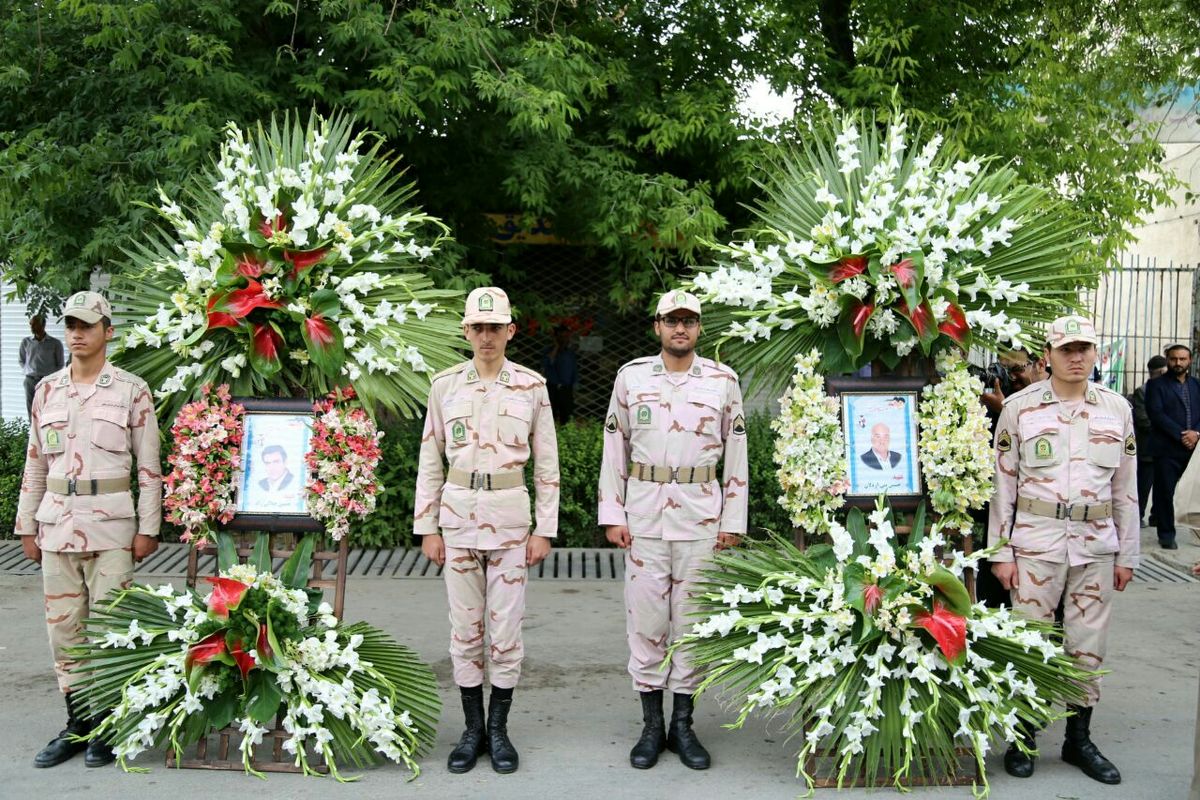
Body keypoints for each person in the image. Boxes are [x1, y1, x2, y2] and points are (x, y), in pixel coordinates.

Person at [598, 290, 749, 771]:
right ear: (657, 326)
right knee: (646, 621)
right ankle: (650, 726)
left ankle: (682, 725)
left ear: (699, 328)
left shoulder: (723, 380)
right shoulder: (631, 377)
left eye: (689, 321)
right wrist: (613, 513)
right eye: (671, 320)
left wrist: (733, 521)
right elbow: (613, 449)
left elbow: (737, 456)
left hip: (701, 516)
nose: (680, 328)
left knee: (691, 623)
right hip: (643, 516)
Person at [413, 286, 559, 775]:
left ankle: (498, 731)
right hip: (457, 522)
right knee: (464, 630)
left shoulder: (532, 387)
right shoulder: (445, 386)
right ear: (466, 331)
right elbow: (430, 460)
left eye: (495, 327)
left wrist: (546, 528)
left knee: (506, 630)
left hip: (512, 522)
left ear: (510, 331)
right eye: (478, 327)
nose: (486, 336)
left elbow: (547, 464)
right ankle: (471, 730)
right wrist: (427, 526)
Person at [988, 315, 1137, 785]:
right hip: (1035, 544)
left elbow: (1126, 489)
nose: (1077, 358)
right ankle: (1025, 736)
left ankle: (1079, 740)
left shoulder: (1117, 410)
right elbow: (1002, 487)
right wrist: (1000, 551)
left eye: (1085, 349)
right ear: (1046, 355)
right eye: (1067, 349)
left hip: (1095, 547)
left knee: (1087, 646)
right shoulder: (1020, 408)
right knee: (1030, 642)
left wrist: (1128, 554)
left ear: (1095, 354)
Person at [16, 291, 161, 768]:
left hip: (112, 528)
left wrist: (149, 527)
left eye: (86, 326)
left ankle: (107, 723)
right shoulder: (47, 391)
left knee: (110, 629)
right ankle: (77, 724)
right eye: (71, 325)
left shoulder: (131, 390)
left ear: (107, 332)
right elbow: (36, 463)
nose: (76, 334)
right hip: (56, 524)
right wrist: (27, 526)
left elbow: (149, 469)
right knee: (65, 632)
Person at [1145, 344, 1200, 549]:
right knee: (1165, 492)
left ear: (1190, 361)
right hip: (1167, 448)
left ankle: (1197, 530)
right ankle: (1167, 534)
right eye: (1174, 359)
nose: (1178, 363)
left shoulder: (1196, 385)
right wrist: (1182, 435)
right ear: (1168, 360)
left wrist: (1196, 434)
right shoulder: (1156, 385)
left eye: (1183, 359)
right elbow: (1157, 414)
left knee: (1195, 491)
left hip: (1194, 449)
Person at [1129, 355, 1168, 525]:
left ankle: (1157, 516)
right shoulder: (1142, 391)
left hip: (1166, 449)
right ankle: (1137, 516)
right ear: (1160, 372)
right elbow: (1143, 420)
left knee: (1164, 487)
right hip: (1148, 449)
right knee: (1143, 486)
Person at [19, 314, 65, 414]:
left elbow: (60, 364)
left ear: (43, 325)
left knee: (47, 408)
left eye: (34, 324)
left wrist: (51, 378)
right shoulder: (26, 342)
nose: (31, 327)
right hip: (30, 381)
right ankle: (33, 429)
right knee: (32, 410)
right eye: (31, 324)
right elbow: (21, 360)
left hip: (47, 381)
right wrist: (30, 370)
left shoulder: (55, 343)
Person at [541, 324, 578, 425]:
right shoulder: (549, 351)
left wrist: (575, 387)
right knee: (550, 416)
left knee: (566, 416)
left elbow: (574, 370)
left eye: (566, 337)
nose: (564, 340)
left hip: (566, 388)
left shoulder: (570, 353)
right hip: (552, 387)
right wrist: (556, 346)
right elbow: (547, 364)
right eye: (561, 337)